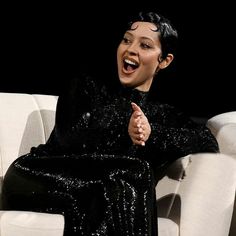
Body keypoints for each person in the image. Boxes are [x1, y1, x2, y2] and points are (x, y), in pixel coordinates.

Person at [1, 11, 219, 236]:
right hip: (36, 176)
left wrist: (152, 133)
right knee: (132, 173)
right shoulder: (87, 87)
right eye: (126, 40)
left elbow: (208, 142)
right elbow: (71, 137)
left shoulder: (162, 114)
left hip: (101, 190)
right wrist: (125, 127)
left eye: (145, 45)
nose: (131, 49)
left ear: (164, 61)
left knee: (123, 180)